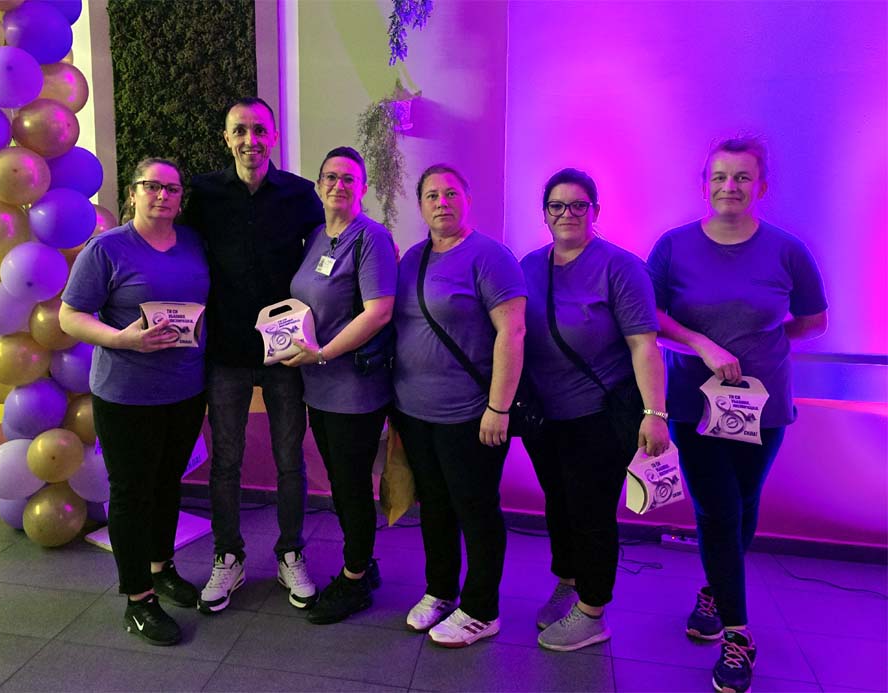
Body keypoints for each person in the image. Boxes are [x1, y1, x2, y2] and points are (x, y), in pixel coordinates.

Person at [648, 137, 827, 693]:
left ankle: (713, 591)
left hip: (763, 404)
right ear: (704, 185)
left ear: (761, 187)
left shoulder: (788, 250)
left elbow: (813, 321)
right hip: (693, 403)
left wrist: (763, 346)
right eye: (720, 176)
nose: (730, 186)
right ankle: (737, 632)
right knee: (718, 509)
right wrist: (702, 344)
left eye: (743, 177)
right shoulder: (673, 247)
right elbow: (650, 317)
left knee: (744, 504)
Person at [519, 168, 670, 653]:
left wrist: (655, 414)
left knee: (592, 511)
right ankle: (568, 582)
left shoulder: (621, 268)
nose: (567, 213)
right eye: (557, 206)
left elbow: (644, 345)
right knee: (558, 503)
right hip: (545, 416)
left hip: (599, 416)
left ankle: (592, 611)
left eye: (578, 205)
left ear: (595, 211)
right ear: (545, 214)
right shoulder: (529, 266)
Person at [184, 97, 325, 614]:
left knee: (290, 459)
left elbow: (328, 249)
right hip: (225, 350)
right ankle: (229, 556)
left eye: (260, 130)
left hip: (285, 352)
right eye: (240, 130)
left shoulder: (300, 194)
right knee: (226, 461)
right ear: (226, 138)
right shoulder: (202, 193)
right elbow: (178, 250)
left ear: (274, 137)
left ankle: (290, 553)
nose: (251, 140)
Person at [60, 158, 209, 646]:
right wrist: (121, 340)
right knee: (130, 493)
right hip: (126, 393)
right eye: (152, 186)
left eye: (172, 188)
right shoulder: (107, 249)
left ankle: (161, 568)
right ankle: (138, 599)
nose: (163, 195)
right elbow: (69, 315)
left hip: (185, 389)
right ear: (132, 193)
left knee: (167, 484)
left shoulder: (192, 243)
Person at [392, 164, 526, 648]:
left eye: (451, 193)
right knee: (434, 506)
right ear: (420, 205)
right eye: (432, 195)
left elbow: (513, 332)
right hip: (416, 412)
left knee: (476, 509)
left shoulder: (490, 256)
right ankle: (441, 590)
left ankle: (482, 609)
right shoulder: (413, 258)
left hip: (472, 414)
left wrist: (499, 407)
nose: (441, 202)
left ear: (467, 199)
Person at [282, 146, 398, 624]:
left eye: (349, 178)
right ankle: (363, 562)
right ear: (318, 185)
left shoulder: (371, 238)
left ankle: (354, 579)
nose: (338, 185)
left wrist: (324, 352)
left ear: (362, 187)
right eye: (330, 177)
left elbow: (379, 312)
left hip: (354, 387)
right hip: (318, 384)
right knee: (339, 480)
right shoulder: (315, 236)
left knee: (350, 486)